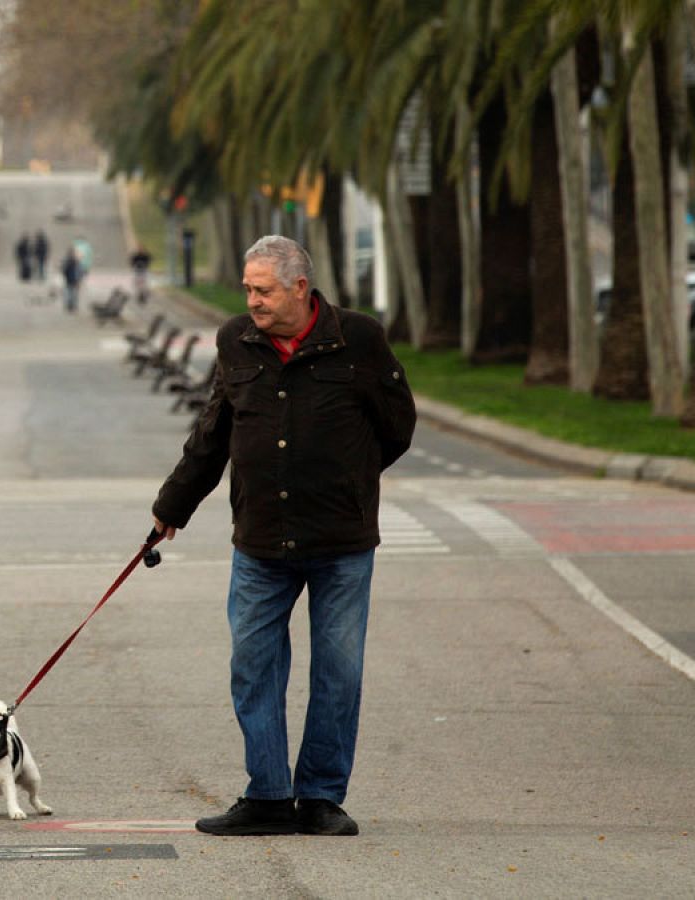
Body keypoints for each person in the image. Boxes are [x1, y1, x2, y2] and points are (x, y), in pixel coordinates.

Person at [150, 235, 416, 837]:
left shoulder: (359, 338)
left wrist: (348, 478)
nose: (252, 301)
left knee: (338, 671)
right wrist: (173, 505)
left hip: (341, 539)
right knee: (253, 663)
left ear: (301, 287)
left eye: (262, 289)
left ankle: (321, 798)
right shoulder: (235, 342)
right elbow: (214, 429)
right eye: (248, 288)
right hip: (262, 539)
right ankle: (268, 795)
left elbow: (397, 426)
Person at [60, 249, 82, 314]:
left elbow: (79, 272)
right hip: (70, 280)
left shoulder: (73, 262)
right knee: (70, 294)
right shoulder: (72, 262)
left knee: (72, 294)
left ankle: (72, 306)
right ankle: (71, 306)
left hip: (72, 280)